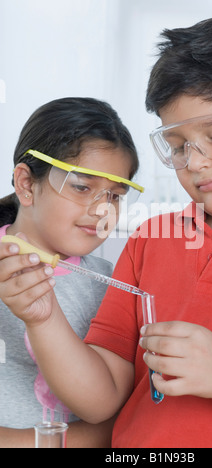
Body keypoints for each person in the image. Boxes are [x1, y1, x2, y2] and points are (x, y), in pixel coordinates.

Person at [0, 16, 212, 448]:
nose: (194, 162)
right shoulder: (151, 240)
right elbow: (100, 401)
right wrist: (43, 316)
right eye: (177, 147)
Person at [0, 97, 142, 448]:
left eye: (114, 196)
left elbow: (115, 421)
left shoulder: (114, 282)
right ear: (26, 183)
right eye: (82, 187)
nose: (101, 210)